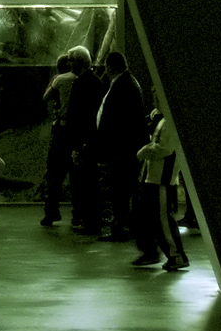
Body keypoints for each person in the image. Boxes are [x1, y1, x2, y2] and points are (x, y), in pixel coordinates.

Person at [131, 88, 188, 271]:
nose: (154, 102)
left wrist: (143, 152)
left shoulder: (169, 123)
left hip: (162, 180)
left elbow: (165, 149)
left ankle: (176, 255)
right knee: (157, 219)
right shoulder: (163, 120)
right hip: (154, 178)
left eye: (156, 99)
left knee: (163, 220)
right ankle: (172, 255)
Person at [95, 52, 145, 241]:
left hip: (121, 149)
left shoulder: (122, 86)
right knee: (122, 189)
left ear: (110, 67)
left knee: (120, 189)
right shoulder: (128, 83)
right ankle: (122, 225)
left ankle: (120, 227)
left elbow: (116, 120)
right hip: (124, 148)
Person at [65, 46, 105, 234]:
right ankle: (90, 220)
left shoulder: (82, 83)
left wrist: (77, 145)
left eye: (71, 60)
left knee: (86, 183)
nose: (69, 64)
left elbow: (79, 117)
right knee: (89, 183)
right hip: (89, 141)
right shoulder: (95, 83)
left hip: (84, 142)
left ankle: (90, 222)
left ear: (78, 63)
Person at [41, 52, 76, 226]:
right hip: (77, 130)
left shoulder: (59, 80)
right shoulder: (82, 79)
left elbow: (46, 97)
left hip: (60, 130)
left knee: (54, 173)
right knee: (77, 174)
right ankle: (78, 213)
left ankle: (51, 211)